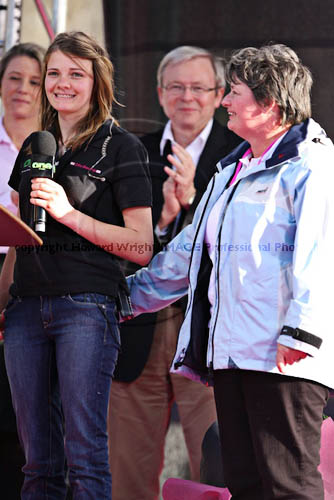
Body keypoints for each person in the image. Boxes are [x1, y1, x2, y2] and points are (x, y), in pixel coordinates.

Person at [124, 43, 334, 499]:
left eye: (233, 91)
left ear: (269, 104)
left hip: (285, 360)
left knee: (288, 486)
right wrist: (126, 297)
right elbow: (188, 254)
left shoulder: (313, 165)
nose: (224, 102)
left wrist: (302, 334)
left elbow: (321, 255)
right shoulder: (232, 169)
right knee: (245, 486)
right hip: (233, 358)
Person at [0, 31, 153, 500]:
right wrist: (4, 299)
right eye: (55, 73)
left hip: (86, 308)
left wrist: (68, 213)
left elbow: (141, 245)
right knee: (36, 464)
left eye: (76, 74)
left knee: (84, 457)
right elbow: (19, 238)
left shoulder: (122, 147)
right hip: (26, 310)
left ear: (97, 82)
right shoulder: (36, 145)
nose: (62, 83)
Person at [109, 45, 241, 500]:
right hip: (137, 336)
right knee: (127, 473)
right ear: (161, 94)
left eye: (199, 87)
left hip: (208, 336)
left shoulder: (242, 155)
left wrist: (194, 202)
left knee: (219, 467)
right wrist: (163, 219)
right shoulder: (128, 152)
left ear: (219, 94)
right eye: (177, 87)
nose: (188, 96)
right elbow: (111, 248)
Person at [0, 41, 45, 499]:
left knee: (26, 413)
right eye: (14, 78)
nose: (24, 89)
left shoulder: (55, 147)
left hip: (34, 278)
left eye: (35, 81)